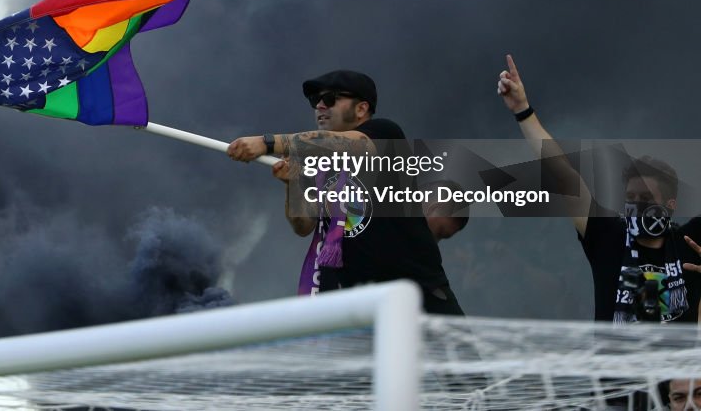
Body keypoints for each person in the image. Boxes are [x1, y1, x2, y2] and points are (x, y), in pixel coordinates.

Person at [226, 69, 464, 315]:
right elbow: (303, 225)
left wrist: (267, 142)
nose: (320, 106)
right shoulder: (321, 163)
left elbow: (346, 144)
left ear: (361, 109)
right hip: (358, 302)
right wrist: (292, 184)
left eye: (330, 99)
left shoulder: (385, 133)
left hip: (417, 298)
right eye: (314, 101)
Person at [496, 54, 701, 323]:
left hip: (679, 365)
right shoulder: (608, 237)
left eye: (646, 198)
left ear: (670, 205)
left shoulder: (691, 243)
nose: (636, 205)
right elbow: (563, 175)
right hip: (615, 364)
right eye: (630, 197)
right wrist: (522, 111)